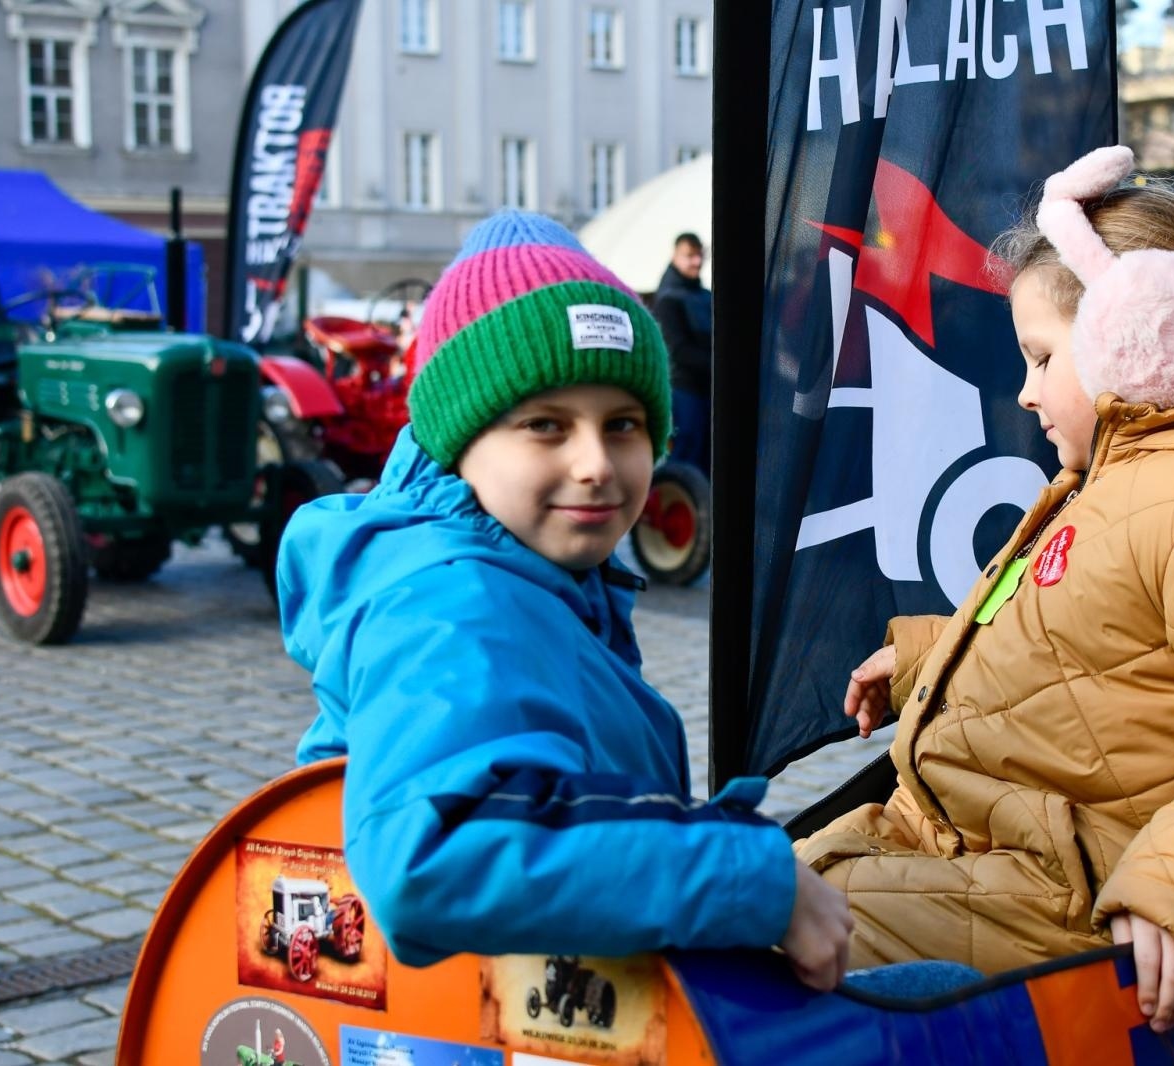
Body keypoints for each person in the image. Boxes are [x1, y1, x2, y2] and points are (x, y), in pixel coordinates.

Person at [796, 146, 1174, 1034]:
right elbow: (1080, 640)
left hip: (1043, 903)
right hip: (948, 851)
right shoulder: (1110, 484)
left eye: (1041, 359)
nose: (1027, 393)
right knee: (712, 909)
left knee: (734, 963)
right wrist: (930, 657)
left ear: (1139, 335)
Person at [277, 211, 852, 990]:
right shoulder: (450, 600)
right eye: (545, 425)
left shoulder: (549, 580)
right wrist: (753, 882)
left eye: (622, 424)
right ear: (458, 442)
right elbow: (442, 850)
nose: (594, 463)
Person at [652, 232, 712, 476]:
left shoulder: (703, 296)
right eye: (689, 255)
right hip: (685, 390)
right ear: (675, 256)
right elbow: (677, 350)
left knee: (706, 458)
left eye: (699, 255)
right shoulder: (669, 299)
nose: (696, 261)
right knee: (685, 457)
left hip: (707, 390)